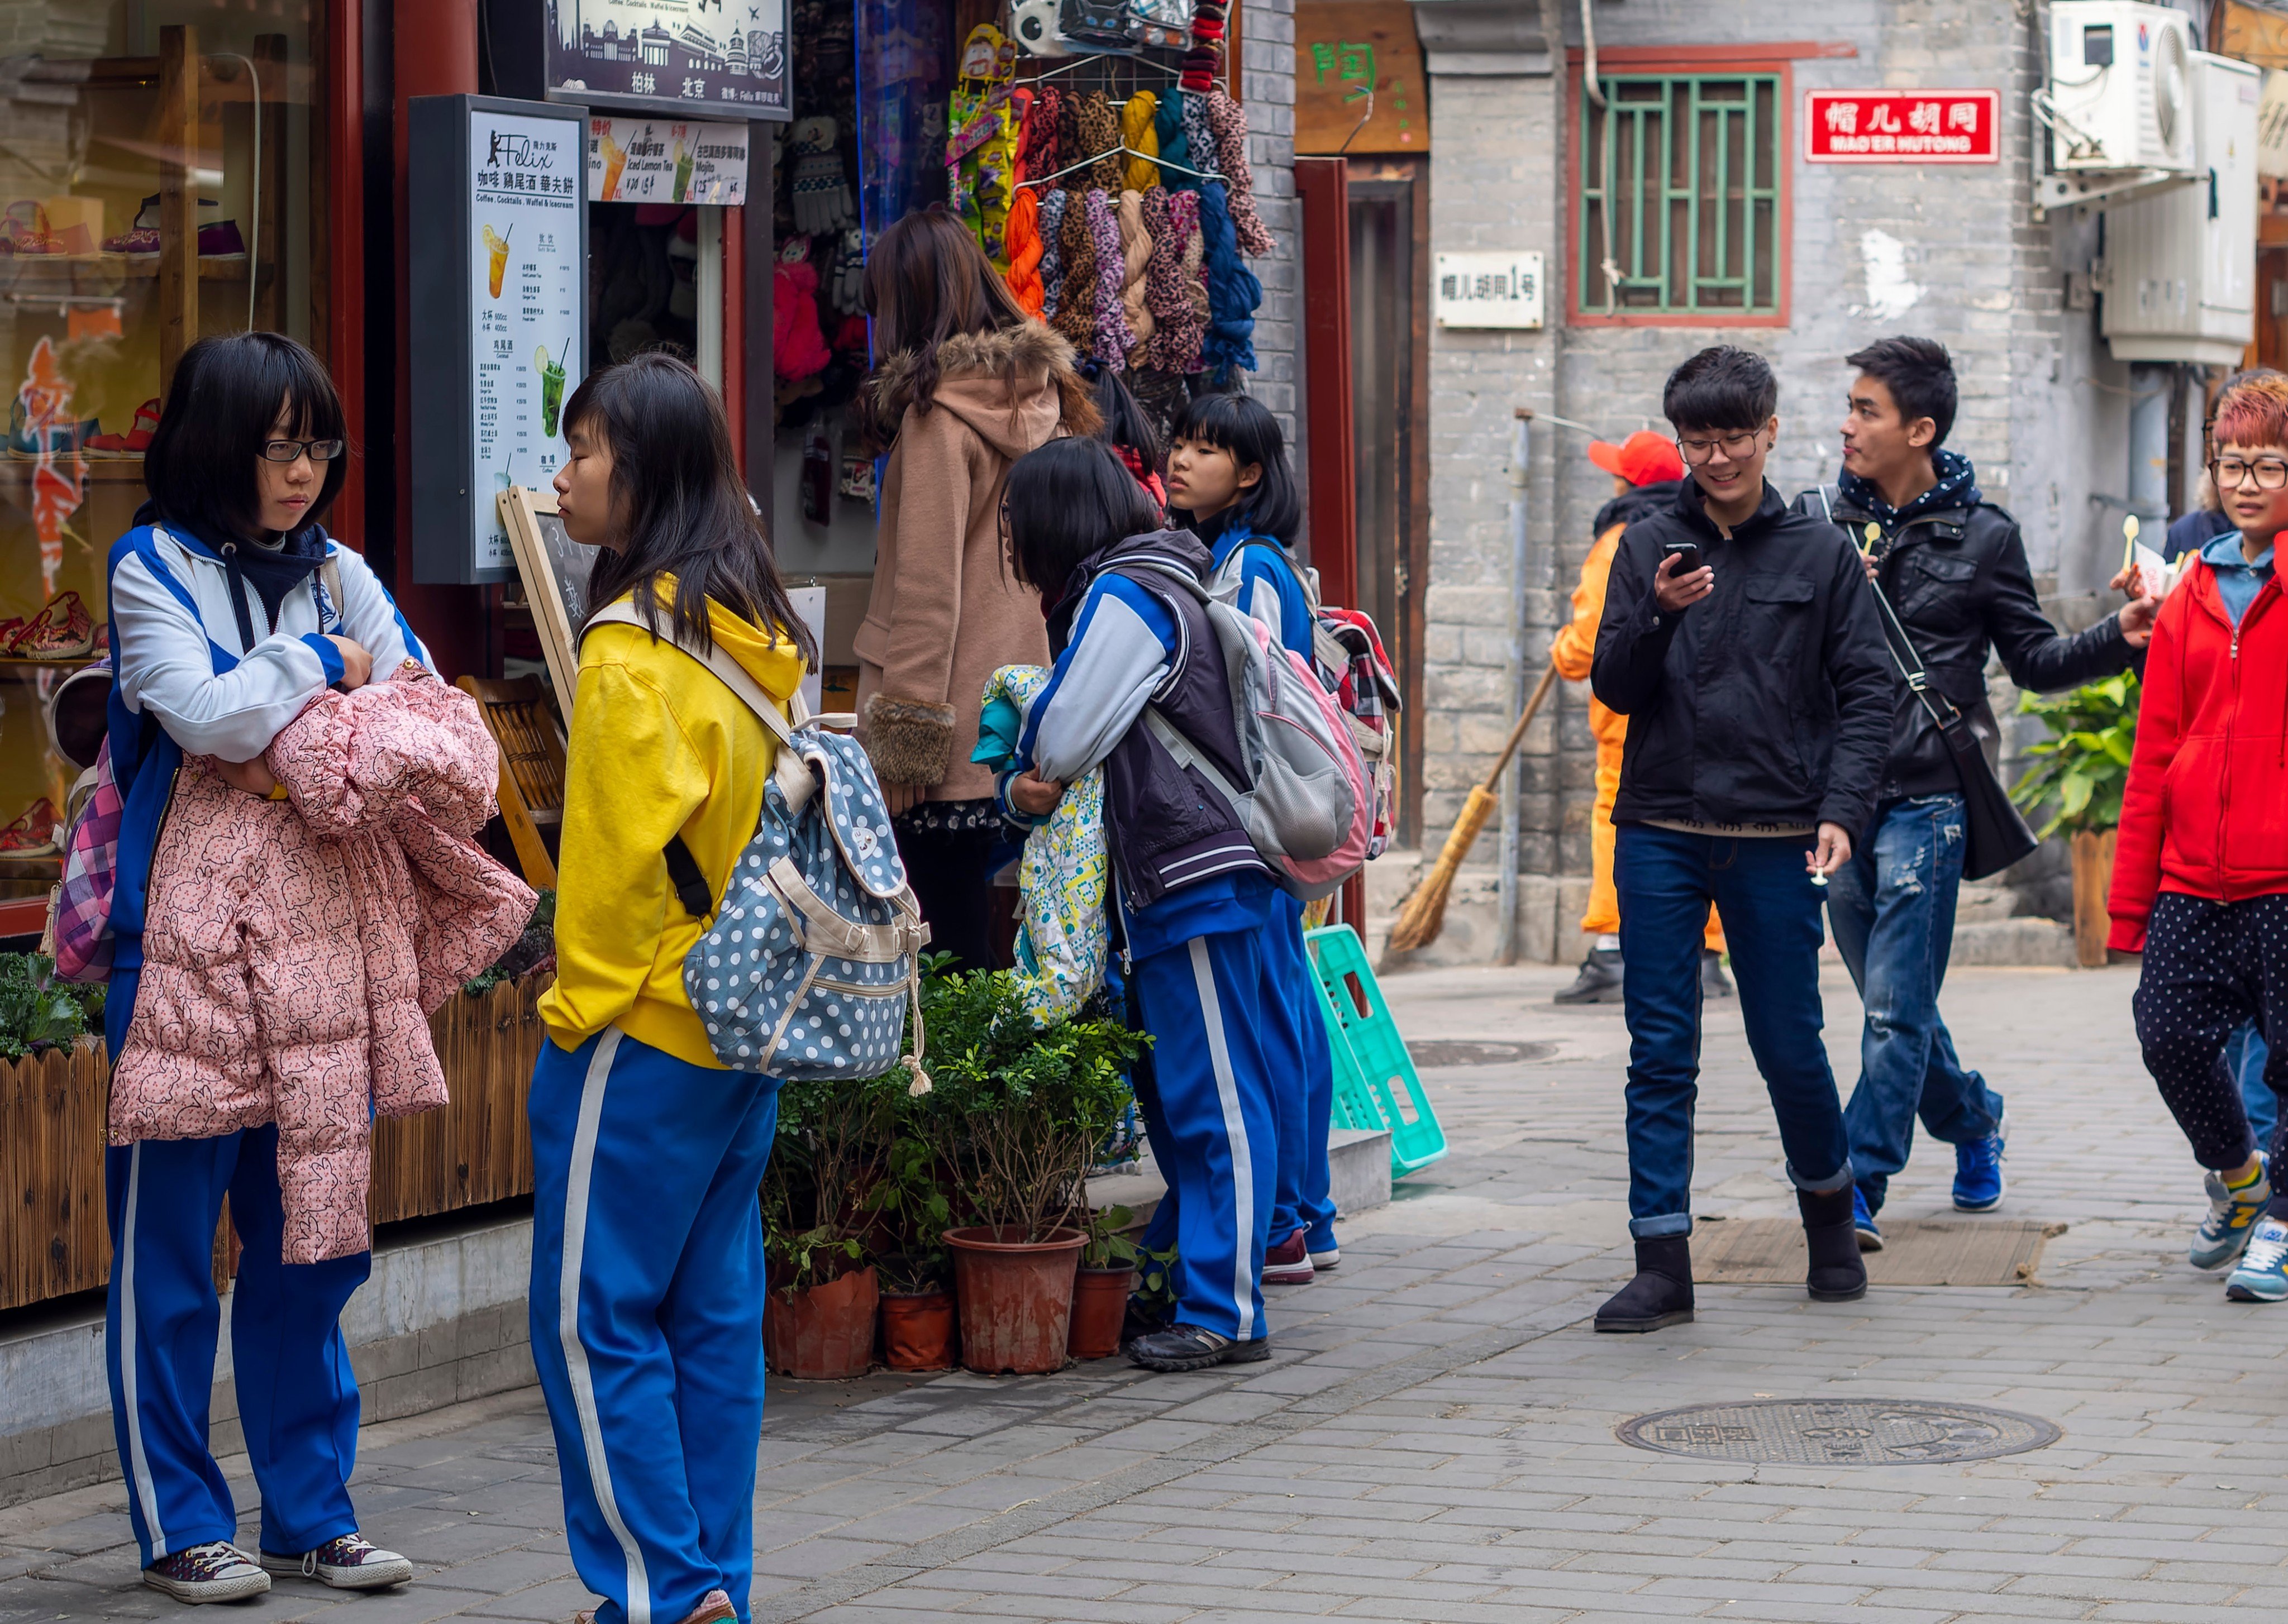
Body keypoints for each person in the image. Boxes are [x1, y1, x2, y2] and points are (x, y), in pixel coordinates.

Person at [103, 331, 421, 1603]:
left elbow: (418, 717)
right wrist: (317, 673)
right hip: (178, 959)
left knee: (310, 1244)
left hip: (319, 959)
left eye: (319, 444)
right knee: (172, 1254)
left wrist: (281, 709)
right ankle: (183, 1518)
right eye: (280, 443)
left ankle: (308, 1510)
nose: (305, 471)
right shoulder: (148, 567)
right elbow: (208, 713)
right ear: (211, 441)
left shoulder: (341, 568)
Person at [528, 354, 816, 1624]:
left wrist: (574, 1009)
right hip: (745, 1030)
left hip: (641, 1032)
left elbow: (603, 876)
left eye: (583, 450)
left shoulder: (631, 648)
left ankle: (658, 1587)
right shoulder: (752, 632)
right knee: (710, 1323)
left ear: (639, 476)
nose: (564, 474)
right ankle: (712, 1588)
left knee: (594, 1325)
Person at [1796, 337, 2156, 1249]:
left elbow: (2033, 663)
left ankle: (1854, 1185)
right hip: (1838, 803)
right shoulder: (1816, 525)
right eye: (1848, 405)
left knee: (1890, 1005)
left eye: (1866, 410)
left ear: (1919, 428)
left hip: (1929, 799)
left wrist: (2122, 631)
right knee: (1898, 998)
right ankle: (1974, 1114)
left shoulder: (1986, 534)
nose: (1846, 424)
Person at [1588, 345, 1893, 1331]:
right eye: (1697, 440)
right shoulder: (1648, 543)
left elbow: (1866, 693)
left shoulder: (1819, 551)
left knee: (1788, 1043)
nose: (1716, 457)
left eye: (1732, 437)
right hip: (1661, 830)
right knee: (1659, 1046)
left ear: (1770, 429)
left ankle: (1831, 1225)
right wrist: (1658, 621)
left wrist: (1843, 812)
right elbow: (1614, 687)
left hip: (1773, 831)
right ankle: (1661, 1263)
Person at [1004, 435, 1300, 1372]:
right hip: (1189, 877)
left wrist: (1027, 760)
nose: (1010, 542)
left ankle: (1229, 1311)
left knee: (1213, 1101)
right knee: (1190, 1103)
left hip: (1195, 876)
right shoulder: (1161, 575)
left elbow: (1060, 736)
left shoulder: (1128, 592)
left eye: (1014, 523)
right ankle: (1191, 1286)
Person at [855, 206, 1099, 970]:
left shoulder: (937, 418)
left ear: (910, 302)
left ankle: (961, 1093)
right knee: (1013, 941)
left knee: (943, 959)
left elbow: (925, 597)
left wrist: (903, 753)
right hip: (1028, 712)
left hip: (948, 731)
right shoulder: (1050, 400)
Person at [2109, 371, 2288, 1304]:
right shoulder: (2191, 590)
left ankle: (2283, 1223)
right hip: (2194, 873)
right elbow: (2155, 751)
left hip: (2283, 874)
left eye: (2268, 464)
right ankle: (2242, 1177)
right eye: (2232, 463)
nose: (2248, 482)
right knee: (2166, 1032)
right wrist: (2131, 896)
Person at [1165, 390, 1340, 1288]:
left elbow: (1254, 702)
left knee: (1268, 1015)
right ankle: (1304, 1213)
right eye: (1181, 443)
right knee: (1281, 1005)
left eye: (1206, 449)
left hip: (1253, 818)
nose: (1181, 459)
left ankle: (1285, 1219)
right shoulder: (1239, 556)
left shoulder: (1250, 566)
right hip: (1263, 820)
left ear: (1253, 474)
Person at [1550, 430, 1729, 1006]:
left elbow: (1584, 649)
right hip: (1702, 714)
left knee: (1615, 818)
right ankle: (1707, 955)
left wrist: (1560, 650)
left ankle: (1609, 948)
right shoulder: (1709, 535)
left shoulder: (1617, 544)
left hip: (1626, 720)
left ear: (1626, 482)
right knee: (1711, 819)